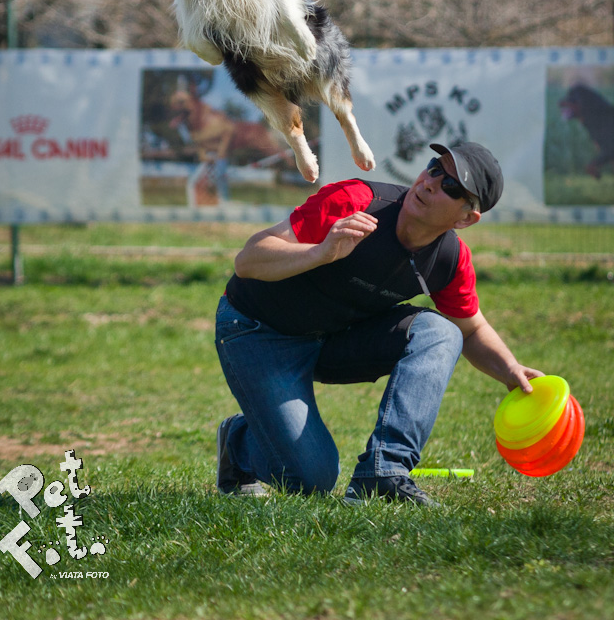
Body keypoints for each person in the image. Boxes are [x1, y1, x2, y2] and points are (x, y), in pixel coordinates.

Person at [214, 141, 543, 505]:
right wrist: (321, 252)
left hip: (333, 338)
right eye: (435, 168)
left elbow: (472, 329)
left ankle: (384, 472)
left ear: (466, 218)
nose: (430, 183)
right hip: (258, 329)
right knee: (313, 478)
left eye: (451, 186)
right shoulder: (355, 201)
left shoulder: (450, 260)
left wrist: (510, 370)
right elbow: (248, 260)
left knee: (442, 333)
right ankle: (239, 440)